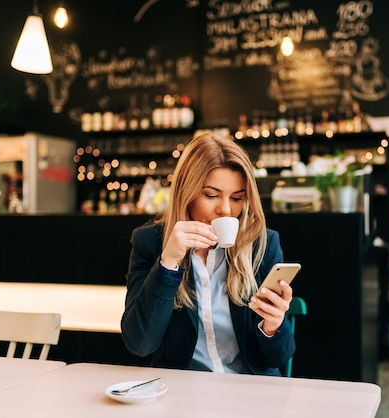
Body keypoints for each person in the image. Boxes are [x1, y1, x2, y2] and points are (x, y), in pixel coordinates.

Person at [121, 132, 296, 376]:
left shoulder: (261, 245)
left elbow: (278, 357)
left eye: (237, 198)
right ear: (186, 191)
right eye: (211, 195)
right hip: (183, 393)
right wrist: (168, 263)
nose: (226, 209)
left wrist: (273, 326)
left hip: (250, 393)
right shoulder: (150, 243)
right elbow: (139, 344)